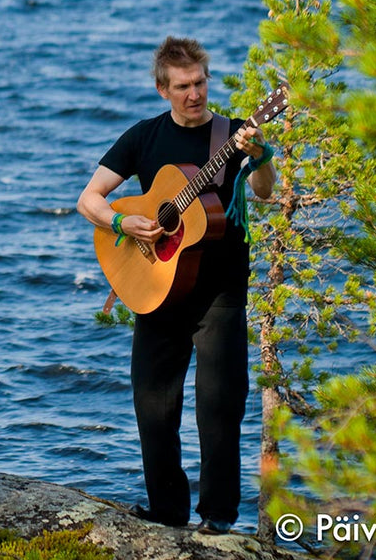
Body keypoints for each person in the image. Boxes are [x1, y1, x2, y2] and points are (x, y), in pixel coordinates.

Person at [77, 37, 277, 535]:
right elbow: (91, 199)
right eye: (184, 86)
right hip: (158, 286)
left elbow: (264, 191)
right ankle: (167, 511)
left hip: (220, 290)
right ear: (163, 88)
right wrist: (125, 226)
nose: (196, 94)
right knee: (153, 404)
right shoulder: (144, 137)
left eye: (202, 82)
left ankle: (218, 517)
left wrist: (264, 155)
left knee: (220, 402)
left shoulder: (231, 136)